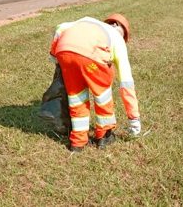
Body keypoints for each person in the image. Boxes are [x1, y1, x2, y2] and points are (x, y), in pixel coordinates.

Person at [49, 13, 141, 152]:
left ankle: (78, 142)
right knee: (102, 94)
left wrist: (53, 55)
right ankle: (104, 135)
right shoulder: (117, 38)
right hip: (91, 59)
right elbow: (126, 83)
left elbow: (60, 28)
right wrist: (134, 120)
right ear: (120, 29)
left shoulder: (87, 21)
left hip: (65, 53)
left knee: (76, 97)